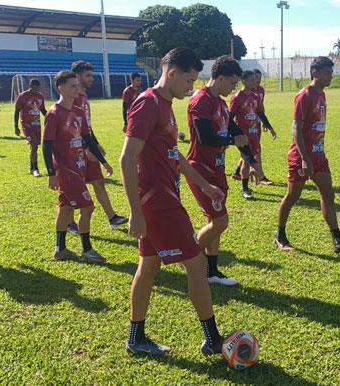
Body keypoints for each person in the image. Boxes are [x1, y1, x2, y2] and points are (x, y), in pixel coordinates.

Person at [120, 47, 227, 356]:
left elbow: (173, 153)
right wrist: (135, 213)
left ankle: (135, 338)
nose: (191, 87)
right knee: (195, 263)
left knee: (149, 266)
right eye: (189, 80)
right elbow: (127, 159)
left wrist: (205, 185)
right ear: (172, 73)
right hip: (158, 202)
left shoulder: (165, 104)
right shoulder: (148, 104)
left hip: (164, 196)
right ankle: (212, 338)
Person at [186, 56, 263, 286]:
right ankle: (187, 258)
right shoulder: (201, 100)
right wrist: (232, 140)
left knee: (214, 221)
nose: (233, 88)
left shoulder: (219, 101)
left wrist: (251, 161)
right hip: (201, 169)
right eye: (231, 83)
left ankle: (211, 272)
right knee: (220, 222)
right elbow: (205, 136)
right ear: (219, 78)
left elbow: (236, 129)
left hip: (217, 169)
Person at [275, 56, 340, 253]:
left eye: (331, 73)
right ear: (315, 73)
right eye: (326, 73)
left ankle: (338, 240)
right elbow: (295, 129)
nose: (330, 76)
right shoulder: (304, 95)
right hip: (302, 157)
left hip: (319, 155)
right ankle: (279, 236)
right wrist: (305, 158)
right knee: (292, 196)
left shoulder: (322, 95)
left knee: (328, 195)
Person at [42, 70, 113, 263]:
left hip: (79, 167)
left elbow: (88, 139)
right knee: (88, 207)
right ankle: (87, 249)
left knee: (65, 209)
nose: (77, 89)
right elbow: (46, 145)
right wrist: (51, 173)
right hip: (65, 170)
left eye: (77, 85)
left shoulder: (79, 112)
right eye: (73, 86)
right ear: (61, 88)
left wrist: (103, 161)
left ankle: (60, 249)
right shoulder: (54, 113)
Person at [69, 61, 128, 232]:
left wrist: (95, 144)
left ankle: (112, 217)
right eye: (88, 75)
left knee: (98, 181)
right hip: (76, 150)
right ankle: (68, 221)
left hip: (87, 145)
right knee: (73, 186)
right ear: (77, 76)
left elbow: (86, 127)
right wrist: (85, 148)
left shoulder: (85, 97)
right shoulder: (71, 99)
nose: (92, 79)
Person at [229, 70, 276, 199]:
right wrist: (231, 135)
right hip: (242, 135)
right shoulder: (237, 97)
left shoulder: (255, 97)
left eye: (255, 80)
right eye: (251, 80)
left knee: (252, 156)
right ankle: (244, 188)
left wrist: (270, 127)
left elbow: (260, 113)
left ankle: (244, 180)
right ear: (243, 81)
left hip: (254, 133)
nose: (255, 82)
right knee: (245, 159)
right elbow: (230, 118)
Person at [14, 78, 47, 177]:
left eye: (38, 88)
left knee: (34, 147)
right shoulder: (22, 96)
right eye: (35, 88)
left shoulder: (40, 96)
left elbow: (43, 110)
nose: (36, 90)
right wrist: (16, 126)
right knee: (34, 145)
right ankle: (36, 169)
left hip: (37, 124)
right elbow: (17, 111)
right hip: (26, 125)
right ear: (30, 86)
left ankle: (31, 167)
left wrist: (52, 118)